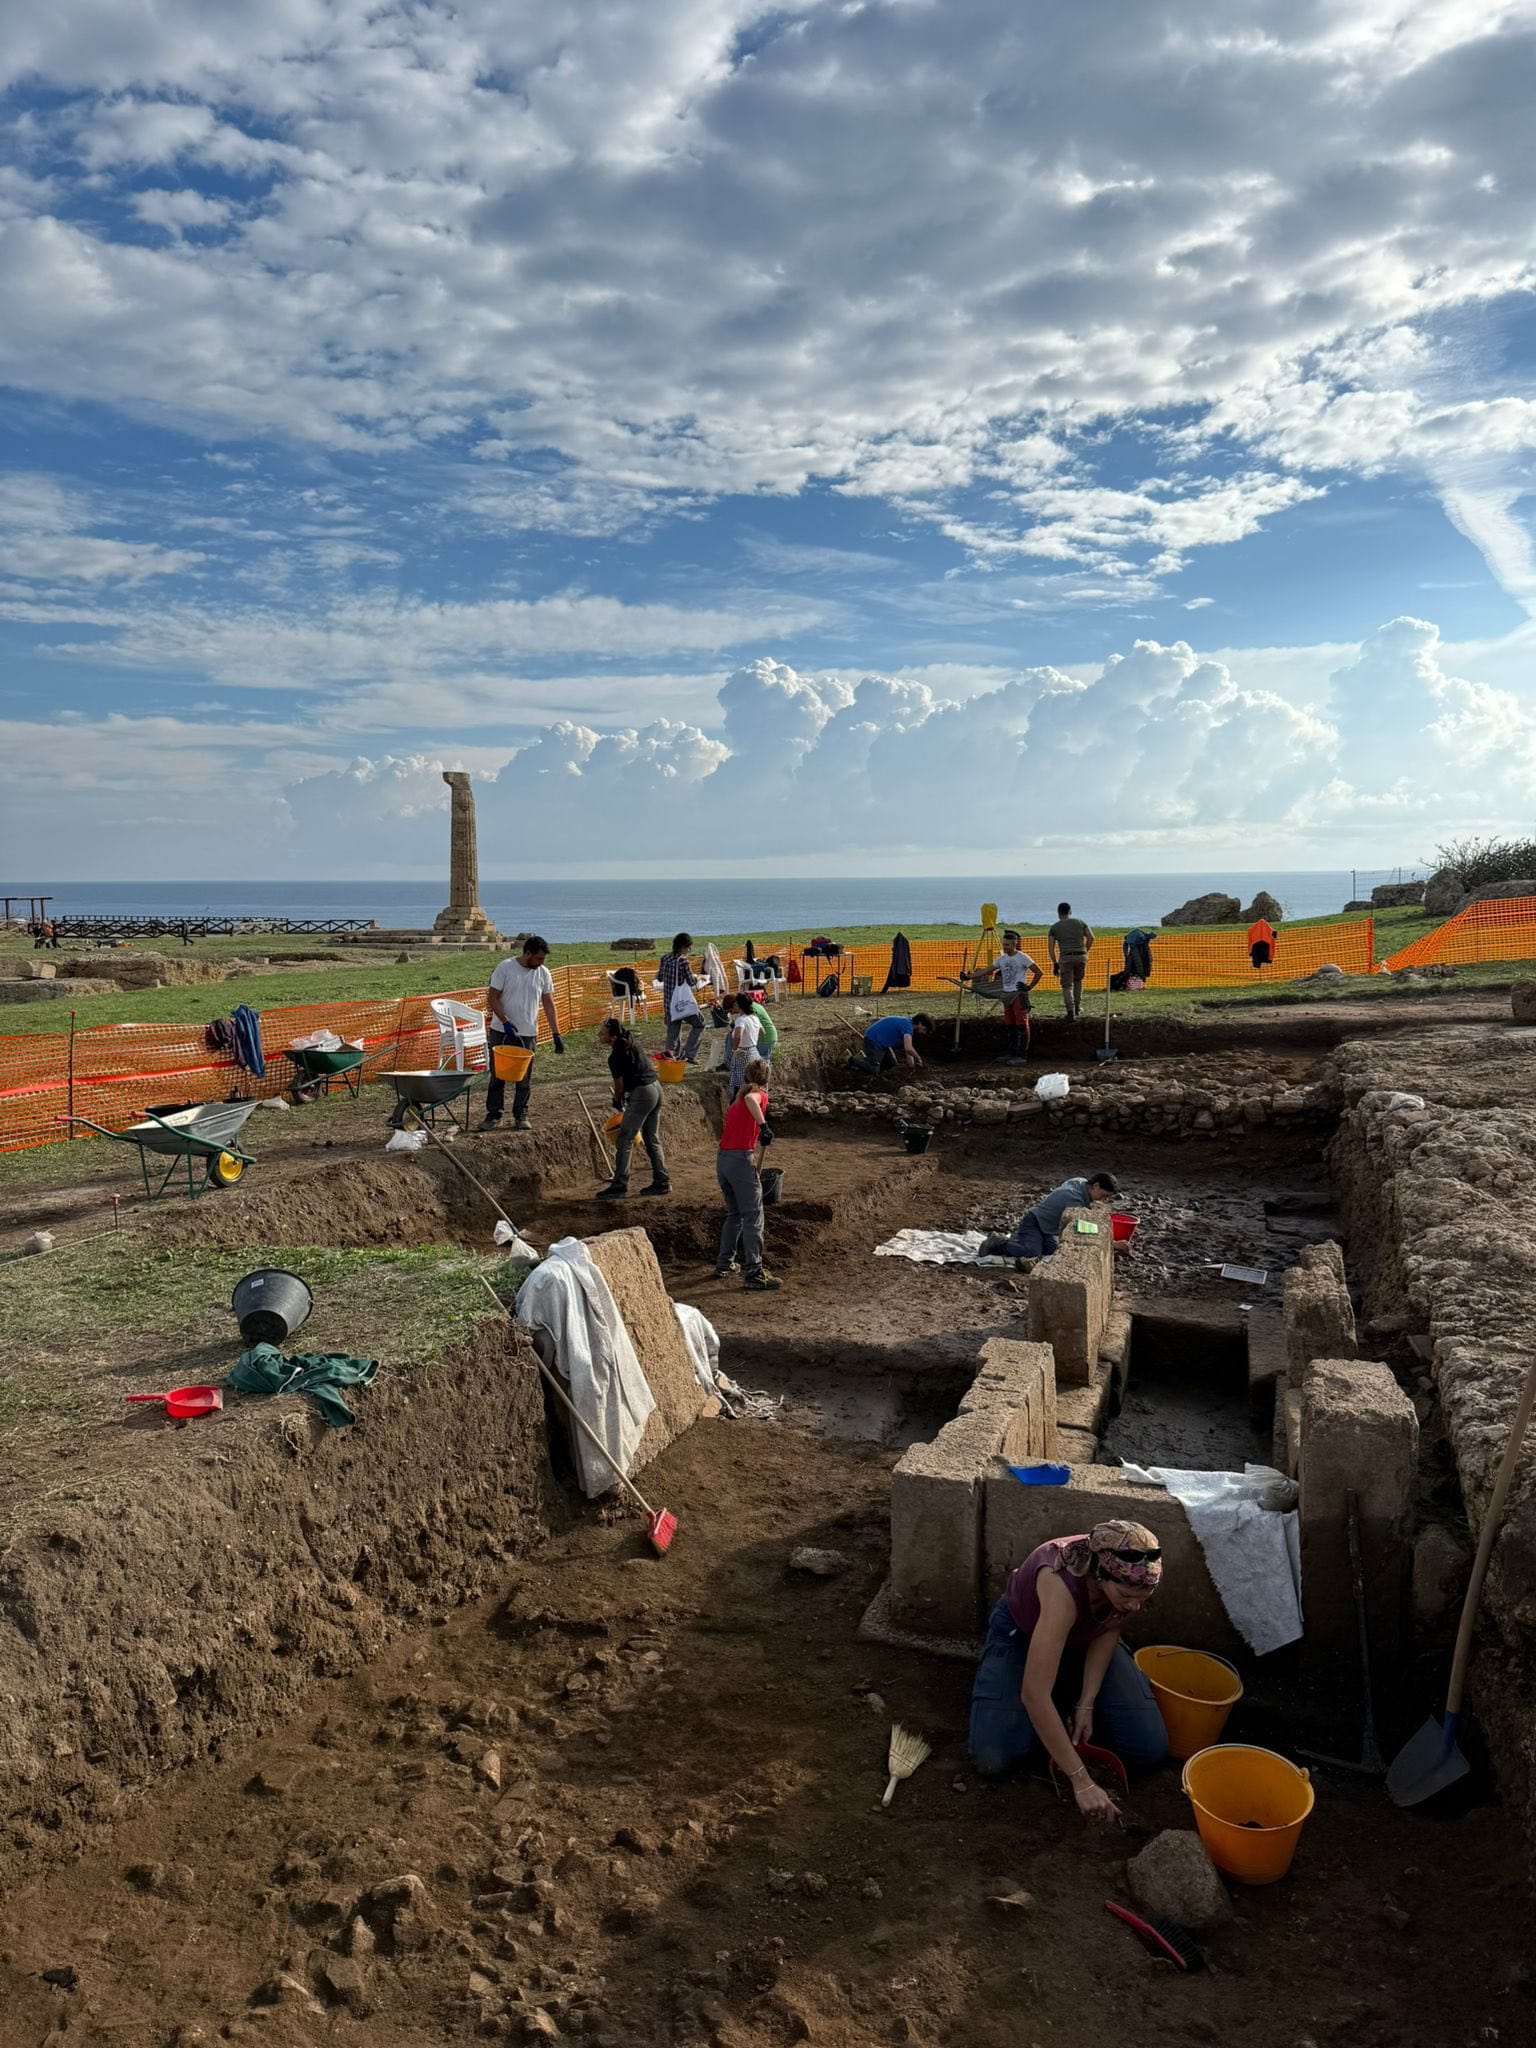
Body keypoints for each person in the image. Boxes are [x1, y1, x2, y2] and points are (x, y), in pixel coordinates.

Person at [968, 1521, 1168, 1808]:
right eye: (1126, 1597)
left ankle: (1063, 1698)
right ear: (1100, 1575)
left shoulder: (1136, 1573)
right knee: (994, 1758)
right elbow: (1034, 1695)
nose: (1135, 1606)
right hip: (1023, 1633)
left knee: (1149, 1749)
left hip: (1085, 1638)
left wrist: (1087, 1702)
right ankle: (1036, 1699)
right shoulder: (1060, 1583)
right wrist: (1081, 1780)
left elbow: (1109, 1628)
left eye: (1143, 1600)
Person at [481, 935, 564, 1131]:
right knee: (497, 1075)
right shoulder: (506, 968)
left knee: (525, 1077)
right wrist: (505, 1021)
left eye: (543, 959)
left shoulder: (543, 973)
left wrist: (556, 1034)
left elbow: (549, 1004)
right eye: (538, 958)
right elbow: (492, 997)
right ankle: (494, 1114)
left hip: (527, 1033)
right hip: (502, 1031)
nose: (541, 962)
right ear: (527, 953)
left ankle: (521, 1114)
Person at [715, 1057, 781, 1291]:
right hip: (740, 1160)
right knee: (753, 1216)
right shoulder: (756, 1094)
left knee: (734, 1214)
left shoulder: (736, 1097)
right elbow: (754, 1100)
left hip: (723, 1159)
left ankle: (725, 1263)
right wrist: (763, 1126)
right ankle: (754, 1271)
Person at [595, 1019, 669, 1200]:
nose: (599, 1036)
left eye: (602, 1033)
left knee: (625, 1139)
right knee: (652, 1138)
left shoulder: (615, 1057)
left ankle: (620, 1184)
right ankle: (662, 1181)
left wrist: (616, 1100)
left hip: (642, 1094)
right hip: (656, 1089)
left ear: (612, 1037)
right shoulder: (629, 1042)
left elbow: (618, 1087)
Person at [979, 1169, 1118, 1262]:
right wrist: (1113, 1244)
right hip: (1034, 1222)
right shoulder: (1073, 1199)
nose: (1103, 1200)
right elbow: (1082, 1229)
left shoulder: (1080, 1182)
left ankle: (1023, 1239)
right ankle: (998, 1241)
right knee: (1031, 1253)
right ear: (1096, 1186)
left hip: (1048, 1227)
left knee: (1054, 1250)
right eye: (1104, 1195)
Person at [986, 930, 1042, 1064]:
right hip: (1006, 995)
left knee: (1021, 1024)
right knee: (1010, 1025)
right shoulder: (1002, 958)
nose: (1005, 948)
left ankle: (1021, 1056)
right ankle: (1011, 1053)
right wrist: (969, 977)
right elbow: (988, 970)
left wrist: (1029, 987)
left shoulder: (1022, 957)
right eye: (1003, 945)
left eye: (1007, 945)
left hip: (1018, 994)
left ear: (1014, 944)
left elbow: (1039, 972)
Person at [1047, 902, 1094, 1020]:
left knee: (1067, 985)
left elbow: (1051, 948)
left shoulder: (1054, 927)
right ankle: (1078, 1008)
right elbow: (1091, 937)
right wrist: (1084, 950)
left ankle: (1070, 1011)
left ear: (1058, 913)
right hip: (1081, 956)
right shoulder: (1080, 922)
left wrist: (1055, 963)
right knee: (1078, 981)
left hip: (1066, 958)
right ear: (1070, 912)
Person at [851, 1012, 932, 1075]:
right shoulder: (907, 1027)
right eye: (924, 1029)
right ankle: (850, 1060)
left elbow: (908, 1051)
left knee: (890, 1064)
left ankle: (866, 1061)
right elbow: (908, 1048)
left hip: (882, 1044)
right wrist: (918, 1058)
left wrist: (912, 1067)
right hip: (873, 1041)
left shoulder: (908, 1025)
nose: (923, 1033)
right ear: (920, 1023)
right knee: (873, 1069)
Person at [660, 933, 699, 1054]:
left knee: (673, 1031)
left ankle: (670, 1057)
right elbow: (691, 982)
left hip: (668, 1002)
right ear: (682, 947)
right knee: (700, 1024)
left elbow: (660, 977)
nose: (689, 950)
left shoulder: (665, 958)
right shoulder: (683, 961)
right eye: (688, 947)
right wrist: (699, 979)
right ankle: (689, 1053)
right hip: (683, 1002)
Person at [727, 991, 764, 1099]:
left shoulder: (740, 1020)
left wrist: (734, 1050)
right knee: (752, 1084)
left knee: (739, 1086)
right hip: (754, 1053)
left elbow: (738, 1036)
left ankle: (737, 1110)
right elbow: (762, 1032)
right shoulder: (754, 1018)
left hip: (743, 1054)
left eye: (735, 1003)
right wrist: (752, 1039)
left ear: (738, 1005)